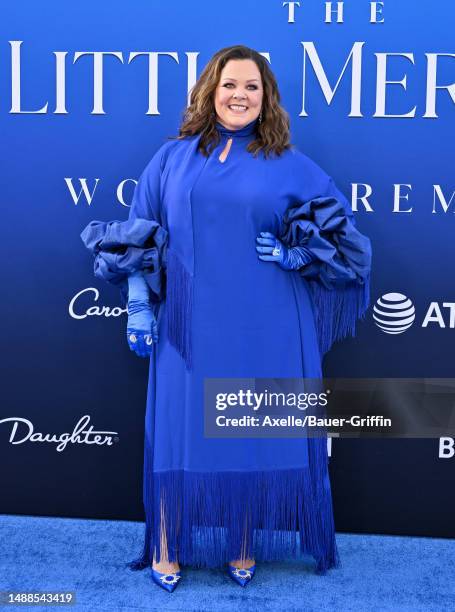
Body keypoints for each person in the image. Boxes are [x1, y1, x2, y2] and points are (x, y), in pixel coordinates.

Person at [80, 44, 371, 592]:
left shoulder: (288, 164)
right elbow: (140, 232)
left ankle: (241, 542)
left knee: (244, 427)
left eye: (252, 87)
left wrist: (296, 256)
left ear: (267, 98)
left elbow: (346, 239)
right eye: (230, 85)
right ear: (210, 91)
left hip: (264, 320)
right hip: (187, 323)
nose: (240, 95)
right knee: (175, 430)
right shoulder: (171, 158)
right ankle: (165, 545)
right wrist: (140, 304)